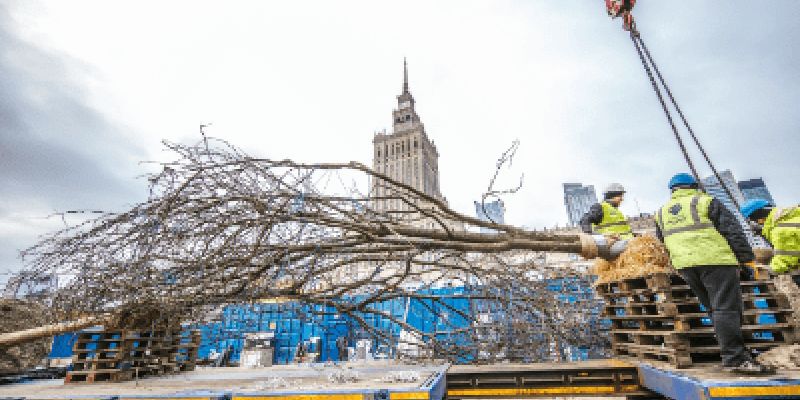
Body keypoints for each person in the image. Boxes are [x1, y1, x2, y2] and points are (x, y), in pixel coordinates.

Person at [655, 173, 772, 374]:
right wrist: (746, 259)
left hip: (686, 265)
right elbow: (732, 231)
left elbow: (662, 241)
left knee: (714, 309)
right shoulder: (705, 201)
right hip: (715, 260)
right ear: (694, 185)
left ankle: (734, 351)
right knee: (726, 308)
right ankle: (735, 358)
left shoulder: (661, 212)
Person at [741, 199, 800, 286]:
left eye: (751, 221)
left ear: (759, 217)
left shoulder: (780, 230)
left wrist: (769, 270)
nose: (752, 225)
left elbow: (785, 258)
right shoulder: (791, 218)